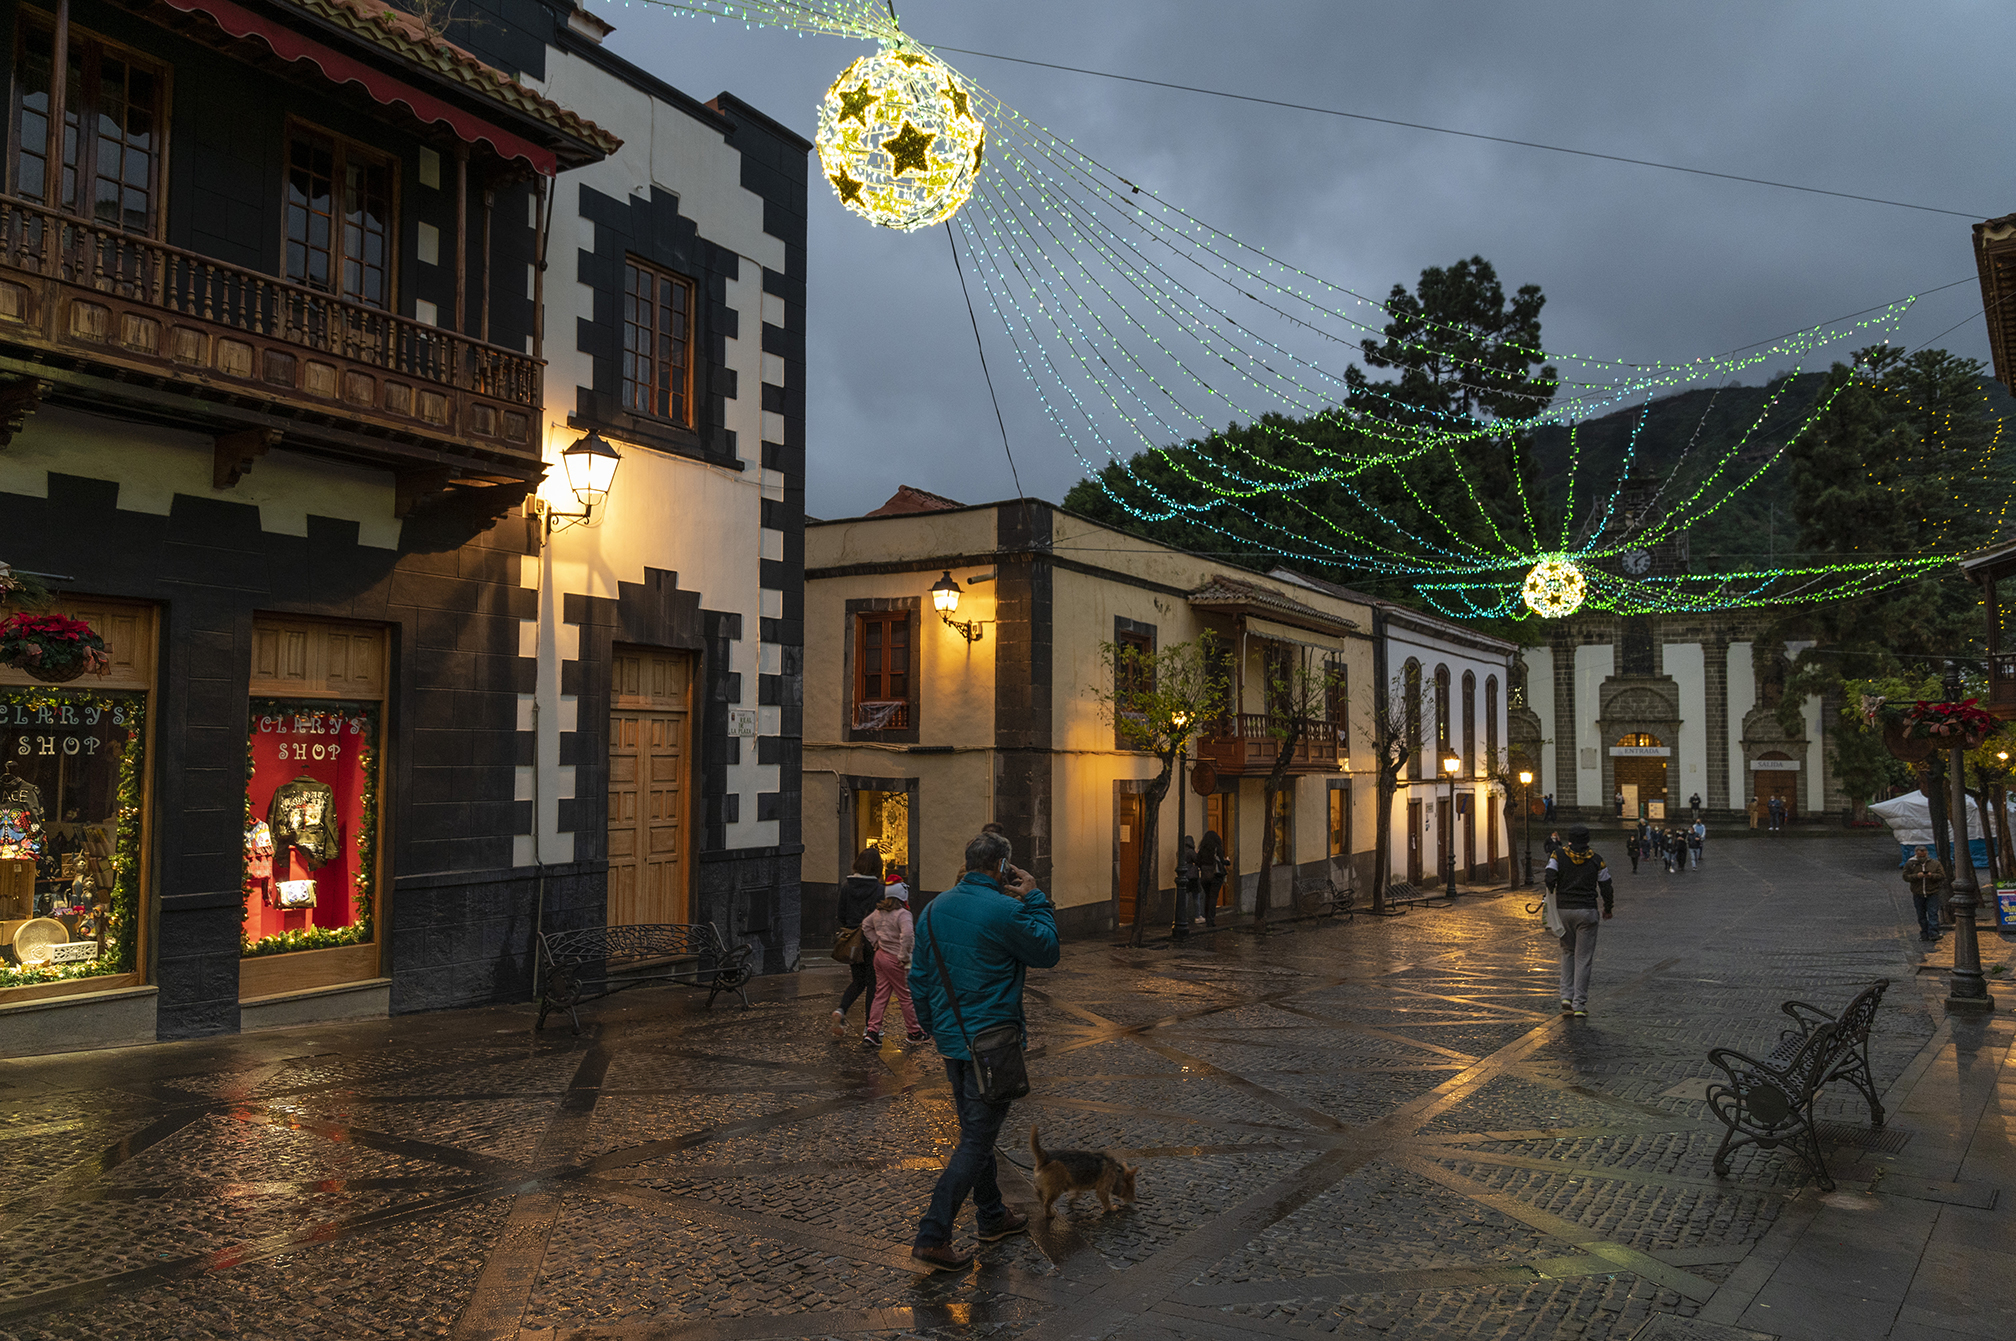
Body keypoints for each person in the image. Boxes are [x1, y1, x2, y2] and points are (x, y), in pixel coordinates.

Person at [908, 832, 1060, 1271]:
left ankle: (992, 1216)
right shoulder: (1007, 910)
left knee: (979, 1134)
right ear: (1003, 867)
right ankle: (932, 1235)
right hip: (992, 1045)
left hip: (954, 1045)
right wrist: (1035, 898)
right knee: (976, 1140)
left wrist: (938, 1029)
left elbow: (919, 980)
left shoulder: (933, 909)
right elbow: (1048, 951)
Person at [1545, 825, 1613, 1017]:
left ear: (1570, 840)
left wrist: (1554, 890)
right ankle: (1579, 1004)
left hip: (1564, 910)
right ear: (1587, 841)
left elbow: (1549, 877)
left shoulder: (1557, 855)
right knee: (1584, 958)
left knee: (1567, 951)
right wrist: (1608, 908)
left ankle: (1565, 995)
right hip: (1587, 911)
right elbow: (1606, 886)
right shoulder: (1597, 860)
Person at [829, 848, 884, 1039]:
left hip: (853, 942)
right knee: (873, 985)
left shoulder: (846, 887)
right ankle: (871, 1027)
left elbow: (841, 915)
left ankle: (841, 1009)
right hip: (873, 942)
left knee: (858, 981)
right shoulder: (879, 890)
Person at [861, 884, 924, 1048]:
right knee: (905, 995)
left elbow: (866, 925)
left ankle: (872, 1031)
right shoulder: (903, 914)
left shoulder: (878, 912)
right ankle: (914, 1031)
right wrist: (904, 954)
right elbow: (908, 935)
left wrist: (875, 941)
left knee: (880, 994)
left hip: (880, 956)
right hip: (896, 958)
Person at [1903, 845, 1945, 943]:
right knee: (1921, 915)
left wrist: (1931, 876)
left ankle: (1933, 933)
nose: (1922, 855)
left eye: (1923, 852)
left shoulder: (1935, 864)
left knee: (1933, 913)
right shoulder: (1910, 864)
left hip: (1932, 892)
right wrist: (1917, 876)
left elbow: (1941, 876)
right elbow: (1905, 877)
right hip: (1918, 893)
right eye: (1919, 853)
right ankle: (1924, 933)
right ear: (1916, 853)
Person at [1196, 830, 1228, 927]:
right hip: (1216, 876)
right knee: (1213, 897)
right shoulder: (1217, 848)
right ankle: (1211, 919)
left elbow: (1198, 862)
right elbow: (1222, 861)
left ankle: (1206, 917)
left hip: (1205, 876)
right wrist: (1227, 861)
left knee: (1207, 896)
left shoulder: (1202, 849)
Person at [1173, 834, 1198, 939]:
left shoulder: (1180, 851)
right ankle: (1197, 916)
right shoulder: (1191, 852)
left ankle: (1181, 916)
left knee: (1184, 896)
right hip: (1191, 876)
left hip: (1183, 875)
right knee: (1195, 896)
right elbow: (1197, 860)